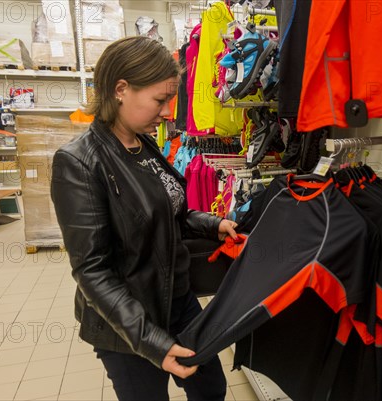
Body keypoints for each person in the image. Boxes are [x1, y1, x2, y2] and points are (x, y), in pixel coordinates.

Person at [51, 36, 236, 401]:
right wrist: (151, 342)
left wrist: (213, 224)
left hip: (178, 303)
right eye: (160, 100)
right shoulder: (79, 163)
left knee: (211, 388)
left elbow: (171, 213)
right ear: (121, 89)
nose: (168, 112)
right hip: (127, 324)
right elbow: (91, 270)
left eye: (171, 100)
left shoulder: (143, 144)